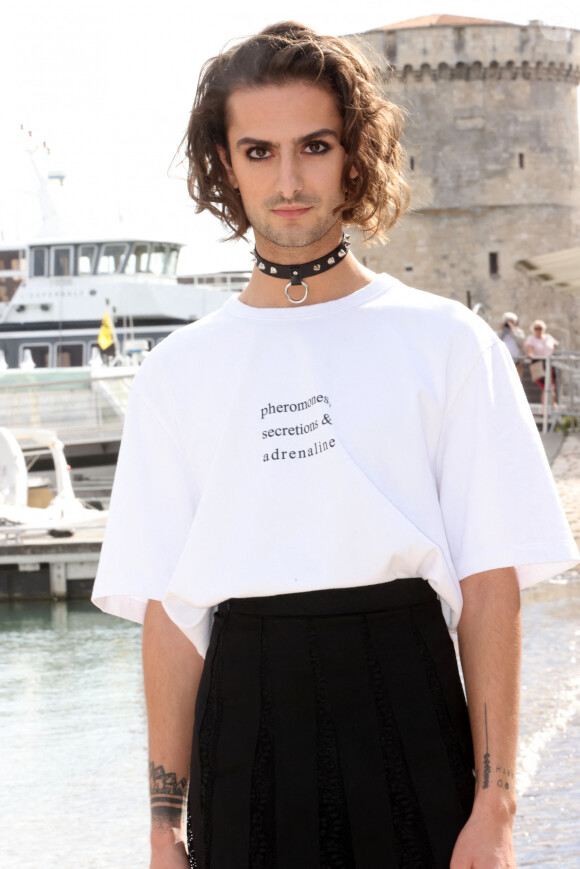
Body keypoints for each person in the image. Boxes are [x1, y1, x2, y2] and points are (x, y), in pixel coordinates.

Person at [92, 22, 578, 869]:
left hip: (410, 706)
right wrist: (163, 828)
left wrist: (494, 807)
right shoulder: (177, 372)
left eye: (314, 146)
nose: (287, 179)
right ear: (223, 162)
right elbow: (169, 617)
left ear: (355, 154)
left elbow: (490, 580)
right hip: (242, 730)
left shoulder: (447, 340)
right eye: (258, 150)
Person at [525, 319, 559, 407]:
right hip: (537, 364)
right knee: (546, 387)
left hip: (548, 363)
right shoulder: (531, 339)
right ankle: (546, 410)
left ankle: (551, 408)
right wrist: (530, 354)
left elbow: (555, 345)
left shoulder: (548, 337)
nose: (538, 330)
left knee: (550, 387)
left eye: (540, 328)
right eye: (536, 328)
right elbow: (530, 350)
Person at [497, 312, 525, 378]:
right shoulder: (500, 332)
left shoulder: (519, 332)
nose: (509, 323)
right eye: (507, 321)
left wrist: (512, 330)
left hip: (516, 362)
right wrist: (503, 330)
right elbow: (497, 341)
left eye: (511, 321)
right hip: (502, 361)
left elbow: (522, 342)